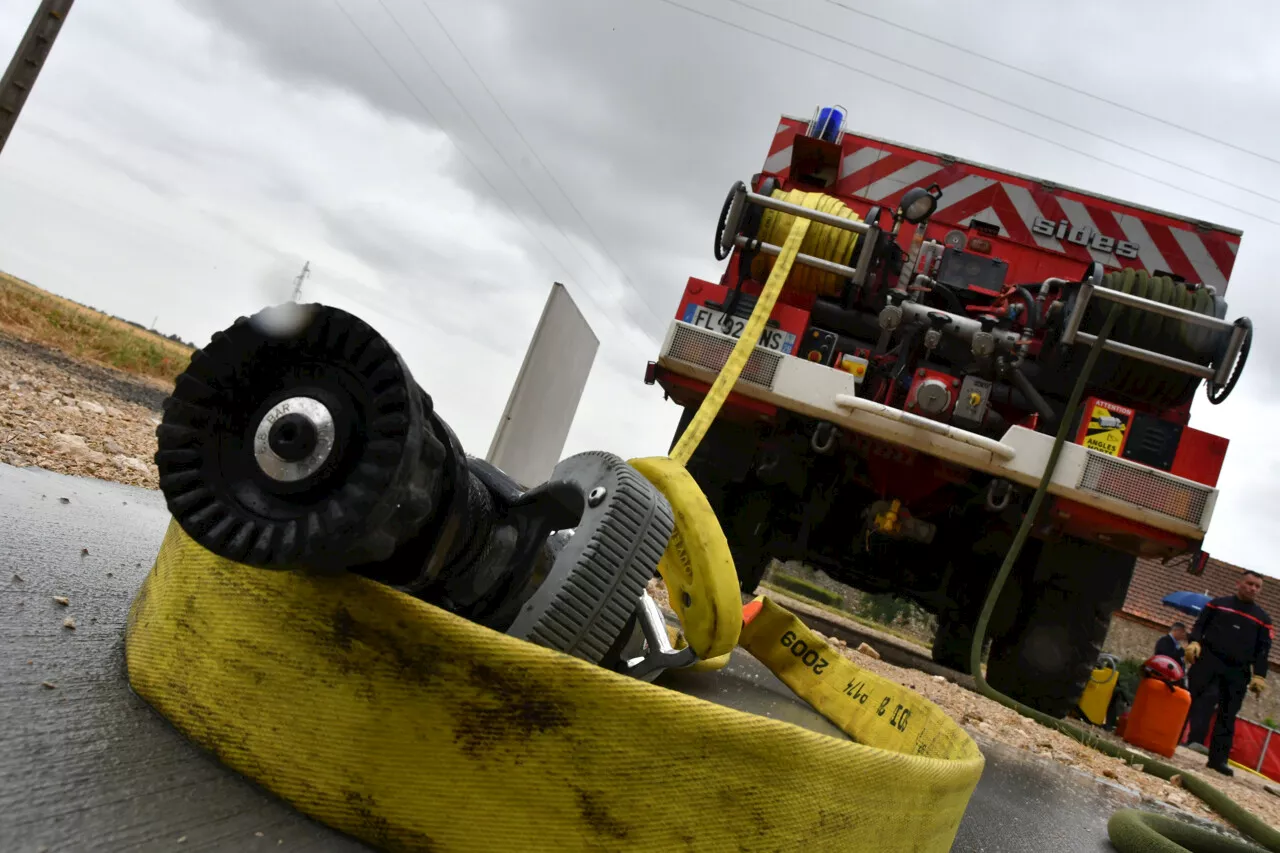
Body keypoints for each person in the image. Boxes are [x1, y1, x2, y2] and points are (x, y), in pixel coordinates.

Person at [1184, 570, 1273, 776]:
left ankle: (1218, 760)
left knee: (1227, 715)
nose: (1253, 588)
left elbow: (1263, 650)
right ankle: (1169, 738)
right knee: (1189, 700)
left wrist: (1259, 675)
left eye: (1257, 586)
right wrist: (1194, 642)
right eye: (1249, 584)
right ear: (1238, 583)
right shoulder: (1217, 604)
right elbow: (1199, 626)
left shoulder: (1263, 619)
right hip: (1208, 660)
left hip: (1237, 671)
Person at [1155, 622, 1189, 687]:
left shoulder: (1179, 647)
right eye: (1183, 632)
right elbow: (1166, 657)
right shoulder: (1164, 641)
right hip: (1162, 678)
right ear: (1177, 631)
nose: (1184, 635)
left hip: (1173, 680)